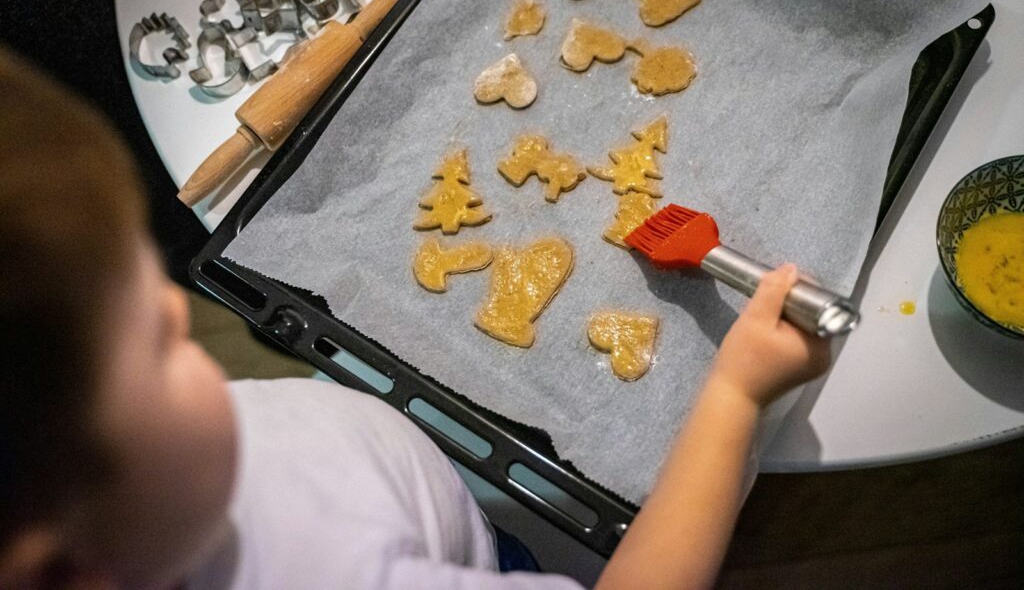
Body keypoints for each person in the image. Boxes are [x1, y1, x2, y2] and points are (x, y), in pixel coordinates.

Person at [0, 47, 830, 589]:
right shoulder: (336, 572)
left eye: (164, 302)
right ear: (66, 573)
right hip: (450, 553)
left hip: (395, 484)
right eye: (154, 340)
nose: (186, 324)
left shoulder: (146, 492)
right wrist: (730, 397)